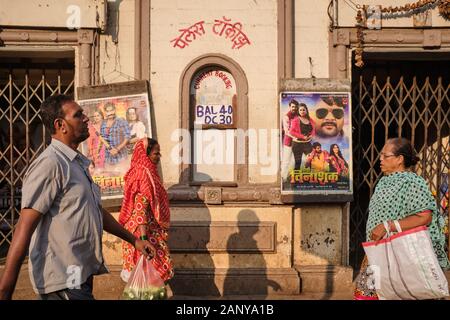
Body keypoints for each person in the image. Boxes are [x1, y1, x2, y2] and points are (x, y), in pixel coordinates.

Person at [0, 95, 155, 300]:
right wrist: (4, 293)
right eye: (78, 115)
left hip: (79, 277)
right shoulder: (51, 164)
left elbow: (94, 210)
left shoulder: (75, 163)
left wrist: (133, 240)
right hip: (64, 282)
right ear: (60, 125)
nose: (86, 119)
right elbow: (23, 228)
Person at [353, 137, 450, 300]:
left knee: (403, 293)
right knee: (366, 296)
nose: (380, 159)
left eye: (385, 156)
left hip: (402, 254)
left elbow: (424, 217)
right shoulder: (384, 182)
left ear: (399, 159)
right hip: (378, 252)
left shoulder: (412, 182)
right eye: (380, 155)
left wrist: (387, 226)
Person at [119, 138, 174, 285]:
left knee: (146, 282)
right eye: (156, 153)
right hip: (142, 233)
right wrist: (143, 240)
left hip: (142, 231)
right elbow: (139, 210)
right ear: (145, 154)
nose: (159, 157)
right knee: (150, 277)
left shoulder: (146, 172)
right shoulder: (142, 175)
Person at [288, 102, 315, 171]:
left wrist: (311, 135)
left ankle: (313, 178)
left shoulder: (310, 119)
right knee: (298, 163)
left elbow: (314, 129)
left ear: (306, 110)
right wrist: (302, 137)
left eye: (304, 110)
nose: (302, 111)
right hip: (297, 144)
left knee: (312, 160)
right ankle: (296, 179)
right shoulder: (295, 120)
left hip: (307, 144)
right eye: (300, 110)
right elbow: (291, 132)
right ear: (298, 111)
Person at [280, 99, 299, 182]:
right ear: (290, 107)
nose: (294, 108)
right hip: (288, 141)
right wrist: (295, 137)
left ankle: (289, 176)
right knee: (286, 160)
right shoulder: (286, 117)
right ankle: (283, 178)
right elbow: (287, 131)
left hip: (297, 142)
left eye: (295, 107)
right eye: (293, 106)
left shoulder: (298, 115)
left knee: (295, 160)